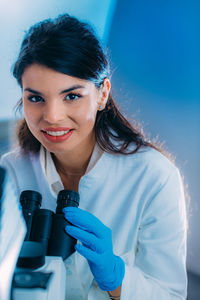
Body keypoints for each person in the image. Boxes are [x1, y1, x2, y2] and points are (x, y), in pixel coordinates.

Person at [0, 14, 187, 299]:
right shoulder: (11, 172)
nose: (51, 117)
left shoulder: (154, 177)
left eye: (71, 96)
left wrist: (117, 277)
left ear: (102, 94)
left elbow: (171, 295)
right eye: (36, 98)